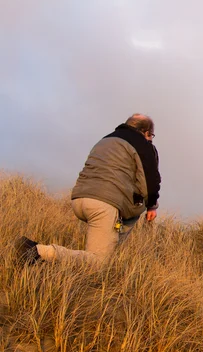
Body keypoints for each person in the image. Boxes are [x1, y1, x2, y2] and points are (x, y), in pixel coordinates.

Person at [16, 113, 161, 265]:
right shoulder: (143, 145)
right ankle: (36, 251)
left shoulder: (106, 139)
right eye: (151, 136)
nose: (151, 139)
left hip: (79, 199)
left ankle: (42, 264)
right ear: (146, 132)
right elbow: (150, 179)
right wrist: (151, 206)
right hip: (104, 205)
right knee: (98, 262)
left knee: (101, 252)